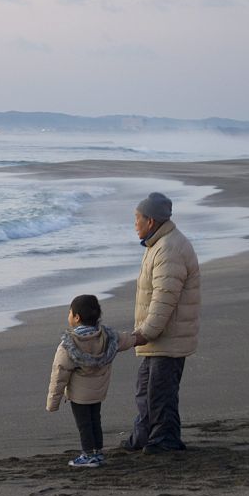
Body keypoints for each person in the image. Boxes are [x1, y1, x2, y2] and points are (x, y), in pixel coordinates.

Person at [124, 192, 200, 455]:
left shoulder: (169, 249)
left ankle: (165, 440)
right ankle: (143, 436)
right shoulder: (158, 244)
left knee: (160, 393)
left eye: (137, 218)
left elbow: (164, 298)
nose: (134, 223)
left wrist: (146, 332)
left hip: (168, 337)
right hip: (161, 338)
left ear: (151, 221)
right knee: (145, 389)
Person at [46, 294, 142, 467]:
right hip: (98, 392)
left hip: (79, 396)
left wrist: (53, 403)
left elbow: (59, 375)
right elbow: (128, 340)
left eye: (70, 313)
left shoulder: (68, 345)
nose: (68, 316)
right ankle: (97, 452)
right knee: (94, 421)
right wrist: (143, 337)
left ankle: (89, 455)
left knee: (84, 425)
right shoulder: (108, 337)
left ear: (76, 317)